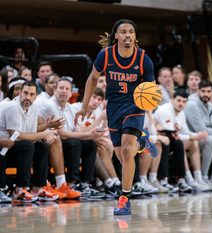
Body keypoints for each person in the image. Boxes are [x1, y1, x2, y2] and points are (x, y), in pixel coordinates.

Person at [76, 19, 156, 215]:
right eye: (123, 32)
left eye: (131, 32)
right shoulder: (105, 55)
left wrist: (149, 111)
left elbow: (151, 90)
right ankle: (142, 141)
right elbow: (93, 78)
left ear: (135, 37)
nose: (128, 35)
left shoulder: (144, 59)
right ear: (117, 36)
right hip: (113, 108)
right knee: (122, 155)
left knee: (127, 152)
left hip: (135, 106)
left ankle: (124, 199)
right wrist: (84, 106)